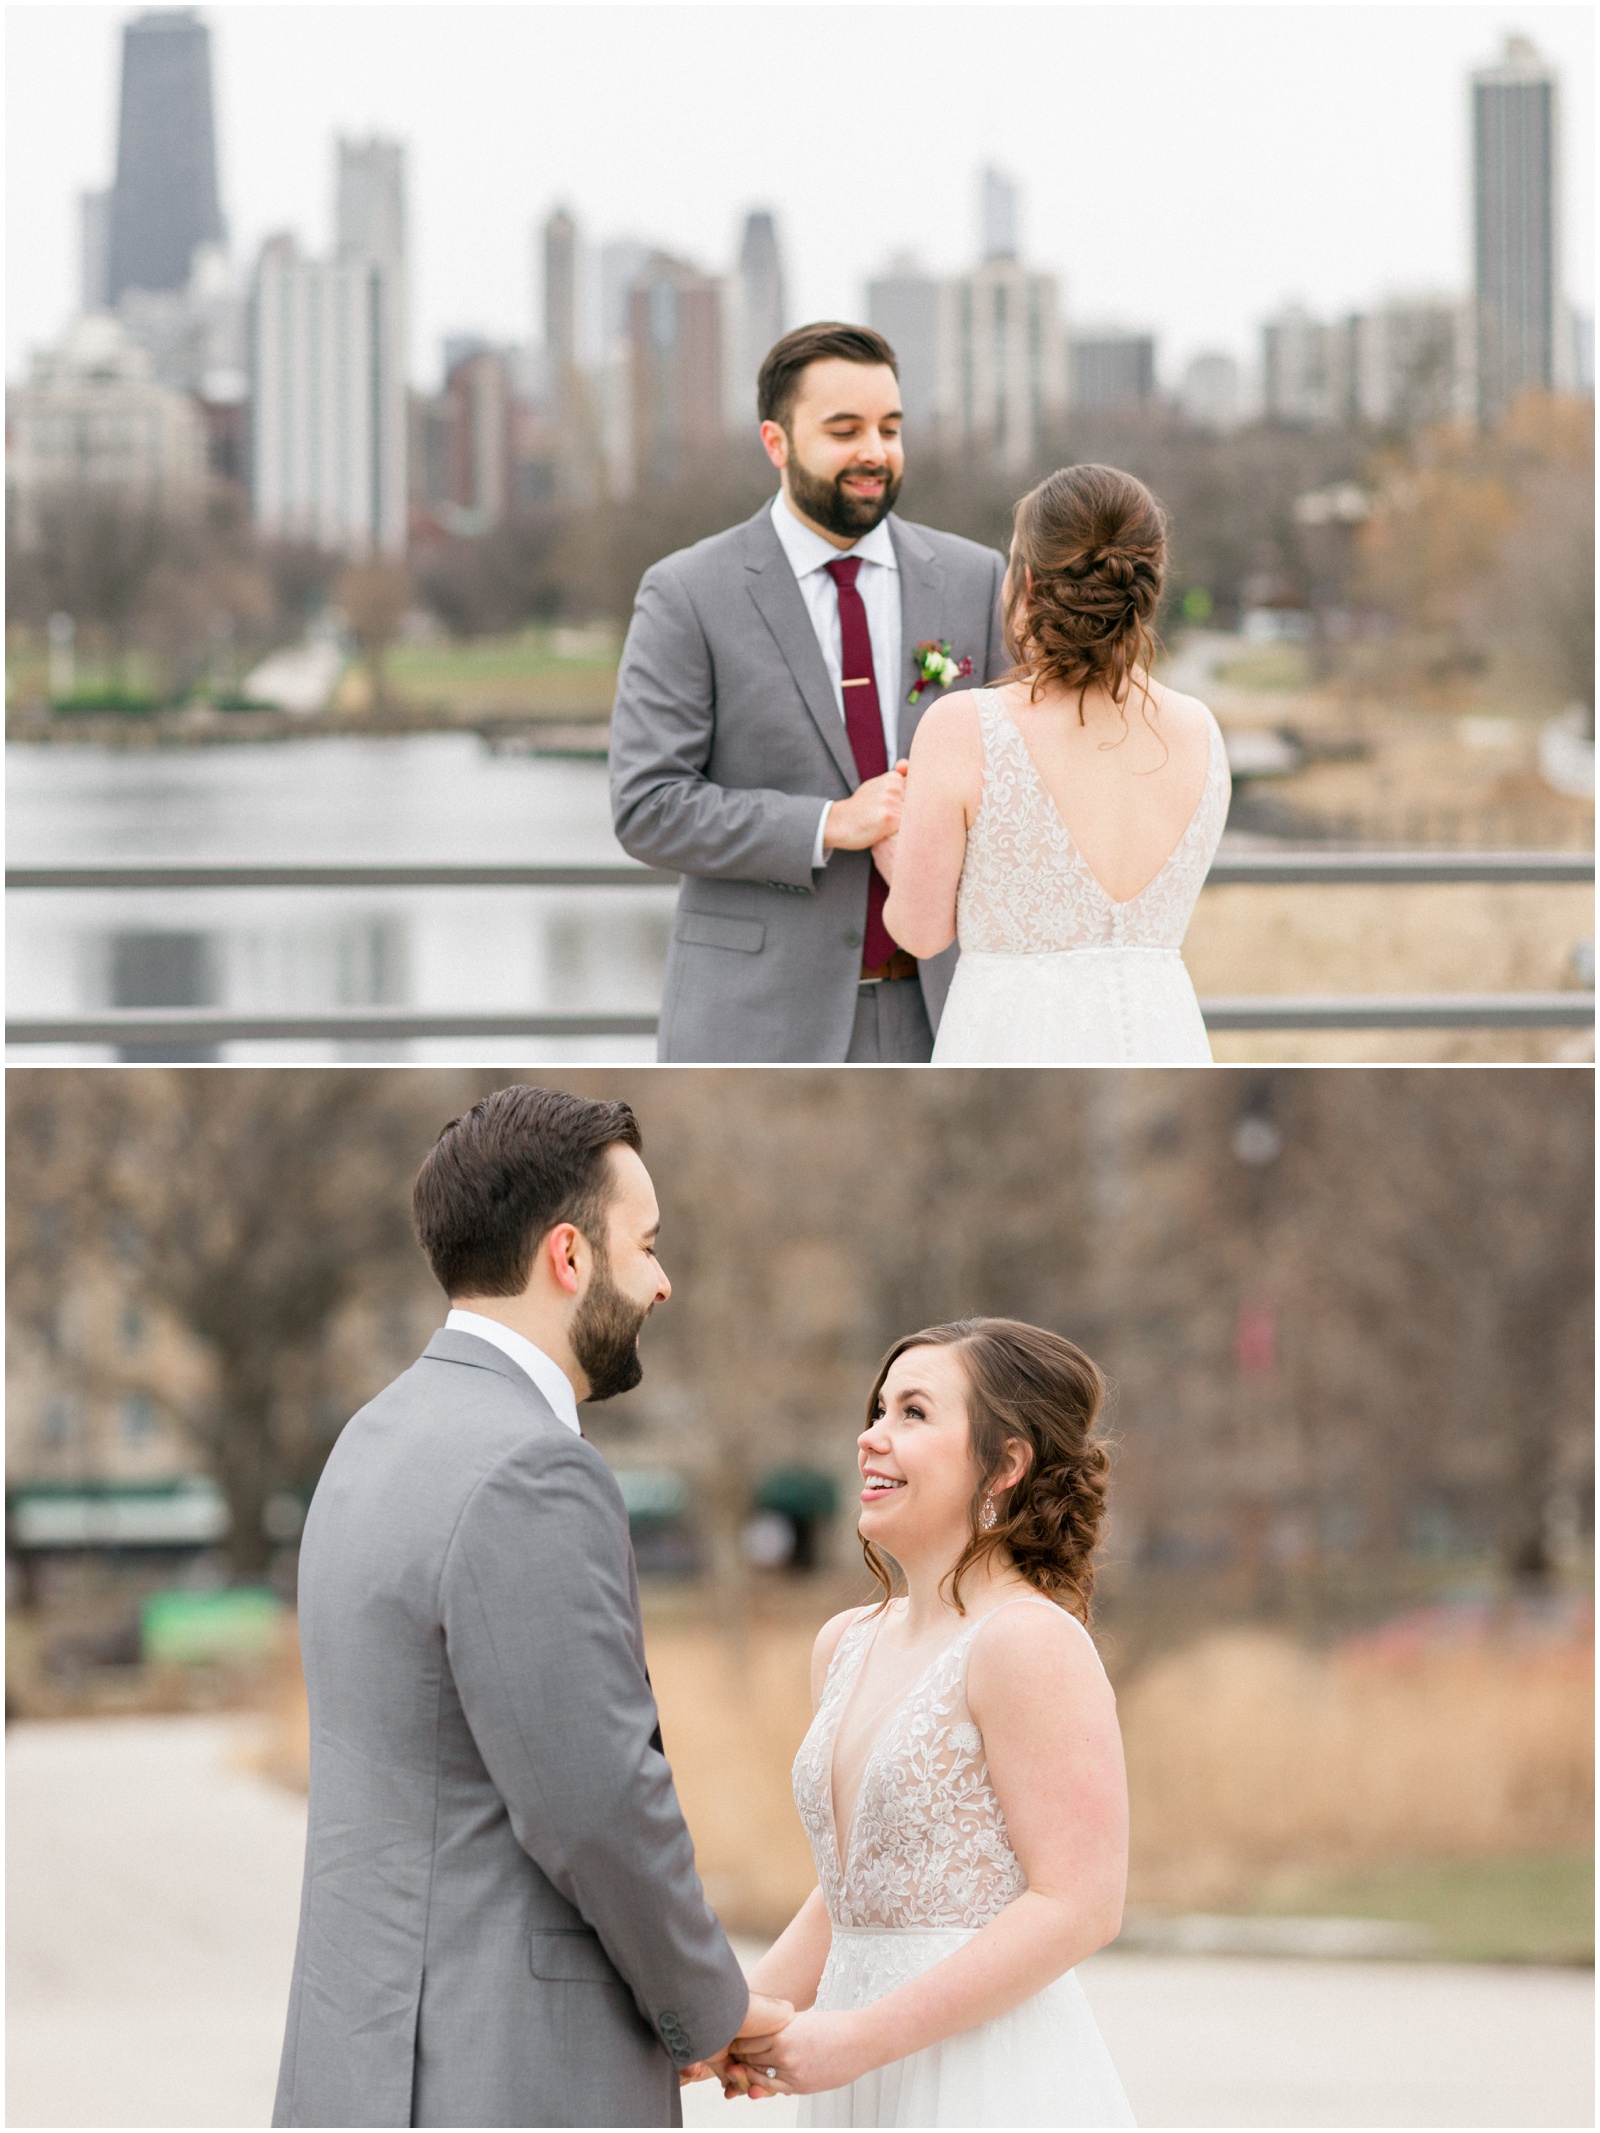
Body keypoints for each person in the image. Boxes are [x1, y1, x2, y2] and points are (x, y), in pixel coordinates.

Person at [272, 1085, 791, 2128]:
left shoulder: (372, 1440)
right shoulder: (530, 1470)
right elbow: (595, 1803)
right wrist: (709, 2005)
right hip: (503, 2070)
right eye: (645, 1246)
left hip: (359, 2061)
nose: (663, 1282)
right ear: (569, 1256)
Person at [728, 1318, 1136, 2128]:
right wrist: (732, 2016)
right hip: (858, 2077)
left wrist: (862, 2038)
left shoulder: (1026, 1640)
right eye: (878, 1410)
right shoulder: (844, 1642)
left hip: (983, 2078)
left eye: (913, 1413)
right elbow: (855, 1890)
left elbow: (1081, 1902)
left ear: (1006, 1462)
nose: (870, 1438)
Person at [609, 322, 1008, 1063]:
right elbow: (646, 806)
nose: (874, 452)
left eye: (890, 428)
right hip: (757, 1023)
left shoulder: (976, 578)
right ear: (776, 441)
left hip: (951, 1016)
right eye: (844, 429)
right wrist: (828, 823)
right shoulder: (687, 593)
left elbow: (1022, 776)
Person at [879, 464, 1230, 1062]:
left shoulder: (965, 726)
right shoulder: (1201, 731)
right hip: (1162, 1034)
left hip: (1010, 1037)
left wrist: (895, 845)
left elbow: (920, 931)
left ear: (1030, 581)